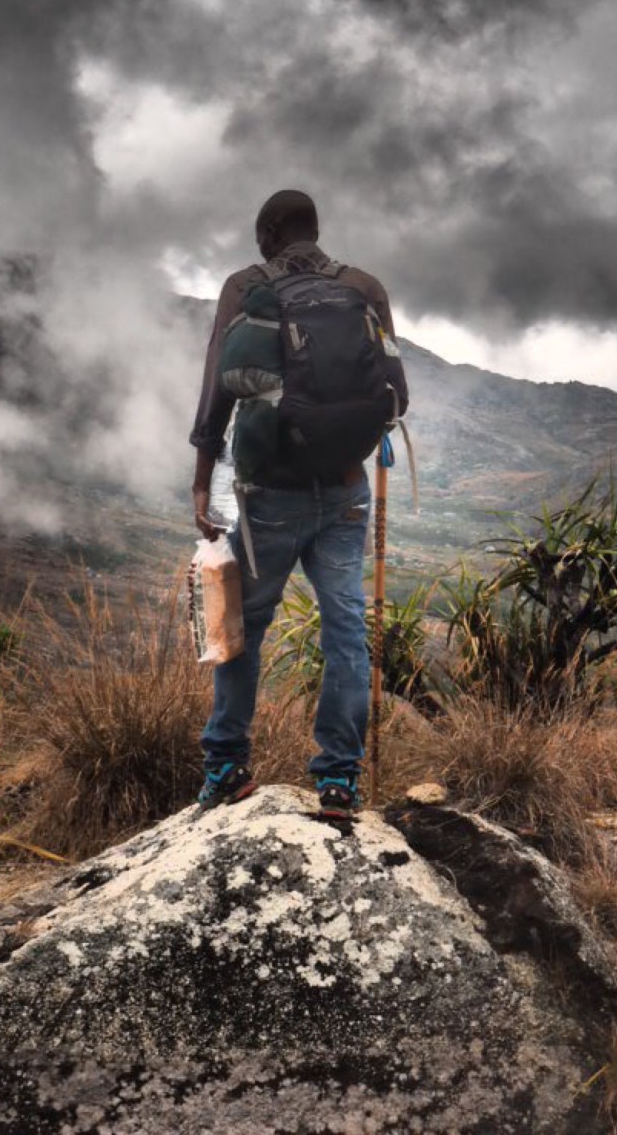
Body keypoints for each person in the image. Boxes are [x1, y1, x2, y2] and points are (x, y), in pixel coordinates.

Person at [189, 189, 409, 817]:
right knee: (346, 630)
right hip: (346, 491)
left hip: (270, 497)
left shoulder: (245, 287)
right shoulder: (364, 287)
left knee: (243, 627)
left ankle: (226, 768)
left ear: (268, 234)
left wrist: (203, 478)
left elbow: (217, 388)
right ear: (316, 231)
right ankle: (338, 780)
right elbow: (396, 392)